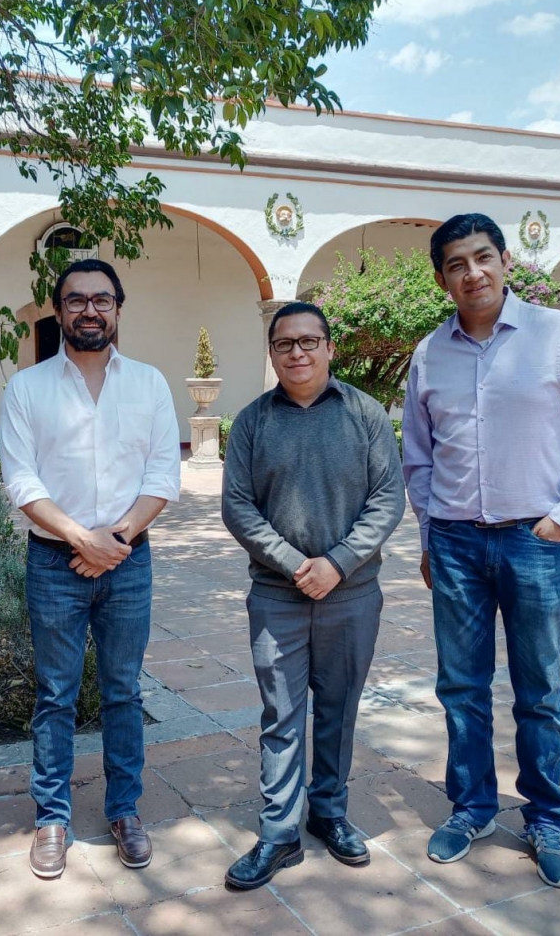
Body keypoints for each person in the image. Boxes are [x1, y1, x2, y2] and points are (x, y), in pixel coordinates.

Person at [402, 213, 560, 889]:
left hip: (535, 541)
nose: (472, 273)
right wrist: (429, 536)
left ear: (504, 261)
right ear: (441, 280)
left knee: (540, 689)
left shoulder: (557, 334)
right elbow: (418, 458)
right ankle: (471, 806)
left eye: (482, 257)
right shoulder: (428, 354)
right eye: (456, 264)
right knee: (461, 687)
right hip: (456, 543)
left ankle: (547, 817)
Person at [0, 258, 180, 880]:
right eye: (76, 300)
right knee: (56, 693)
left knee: (124, 689)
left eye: (102, 299)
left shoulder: (149, 384)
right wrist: (82, 538)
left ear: (118, 309)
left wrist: (116, 539)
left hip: (128, 558)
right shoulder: (27, 388)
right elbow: (20, 480)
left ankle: (124, 809)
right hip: (55, 560)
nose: (90, 310)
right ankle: (52, 817)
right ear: (59, 311)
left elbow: (163, 474)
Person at [221, 302, 405, 890]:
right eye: (284, 344)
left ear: (329, 347)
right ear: (272, 353)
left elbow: (388, 499)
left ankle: (328, 810)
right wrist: (296, 564)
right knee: (281, 713)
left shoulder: (365, 414)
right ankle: (279, 831)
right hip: (277, 595)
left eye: (308, 341)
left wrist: (338, 563)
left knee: (338, 708)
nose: (297, 352)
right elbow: (238, 507)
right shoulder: (252, 422)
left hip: (352, 595)